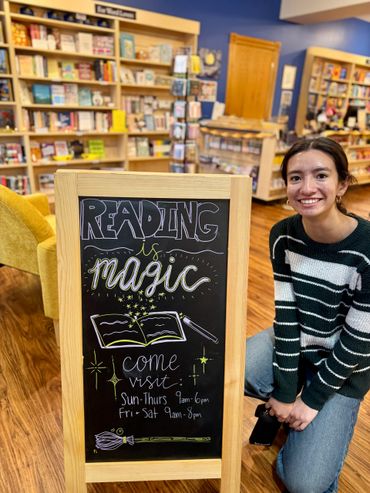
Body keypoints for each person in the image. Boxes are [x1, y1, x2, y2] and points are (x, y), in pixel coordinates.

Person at [244, 136, 370, 493]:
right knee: (229, 368)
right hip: (298, 342)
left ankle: (302, 416)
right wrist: (285, 394)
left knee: (304, 484)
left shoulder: (367, 249)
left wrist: (311, 401)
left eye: (321, 175)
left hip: (347, 365)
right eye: (296, 177)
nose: (307, 187)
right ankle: (288, 404)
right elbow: (286, 316)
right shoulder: (282, 236)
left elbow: (358, 341)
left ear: (342, 184)